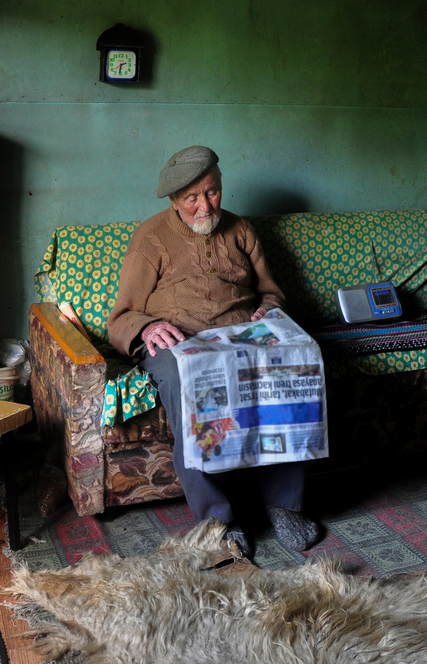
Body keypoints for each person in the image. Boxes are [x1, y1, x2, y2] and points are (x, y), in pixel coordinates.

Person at [107, 145, 320, 558]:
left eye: (213, 192)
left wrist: (266, 310)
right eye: (192, 198)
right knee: (190, 386)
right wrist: (148, 326)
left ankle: (284, 504)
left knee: (294, 369)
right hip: (178, 344)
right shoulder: (150, 239)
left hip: (241, 338)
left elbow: (271, 292)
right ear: (173, 201)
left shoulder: (241, 231)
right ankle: (218, 521)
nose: (205, 206)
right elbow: (120, 317)